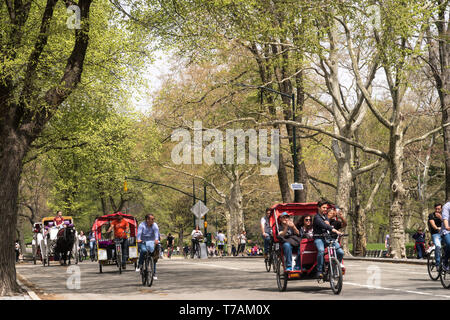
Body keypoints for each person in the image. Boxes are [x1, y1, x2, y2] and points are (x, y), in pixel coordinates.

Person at [313, 200, 344, 279]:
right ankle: (319, 271)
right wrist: (335, 230)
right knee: (321, 251)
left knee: (340, 252)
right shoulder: (317, 217)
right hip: (319, 238)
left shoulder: (325, 217)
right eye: (323, 207)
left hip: (328, 238)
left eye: (326, 208)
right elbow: (325, 226)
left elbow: (330, 225)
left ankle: (334, 268)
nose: (325, 209)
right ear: (318, 208)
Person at [136, 214, 160, 279]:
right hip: (143, 241)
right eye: (151, 219)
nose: (153, 220)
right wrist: (138, 239)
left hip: (152, 242)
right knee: (143, 251)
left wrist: (156, 240)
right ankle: (140, 264)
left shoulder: (155, 225)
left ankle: (154, 273)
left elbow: (156, 234)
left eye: (153, 219)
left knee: (154, 258)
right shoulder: (142, 225)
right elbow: (139, 233)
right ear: (147, 220)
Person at [440, 202, 450, 271]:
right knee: (449, 243)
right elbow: (445, 218)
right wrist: (447, 226)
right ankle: (445, 262)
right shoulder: (447, 206)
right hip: (447, 231)